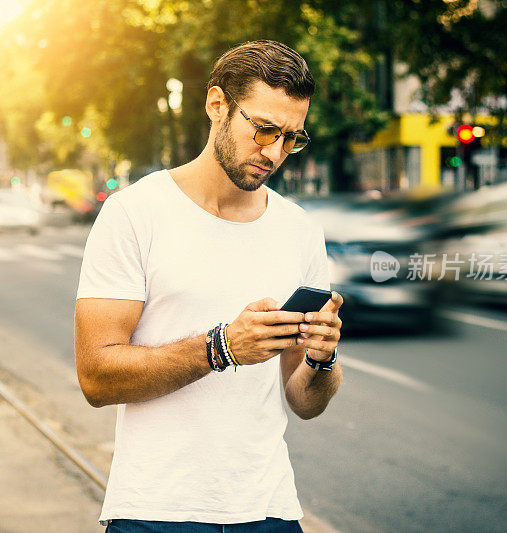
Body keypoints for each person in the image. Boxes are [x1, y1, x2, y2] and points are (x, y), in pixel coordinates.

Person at [75, 40, 343, 532]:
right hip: (156, 511)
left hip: (269, 510)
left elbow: (304, 401)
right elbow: (96, 377)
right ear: (217, 105)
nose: (275, 151)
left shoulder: (299, 229)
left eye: (291, 137)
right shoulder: (134, 213)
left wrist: (322, 359)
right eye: (263, 129)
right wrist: (221, 347)